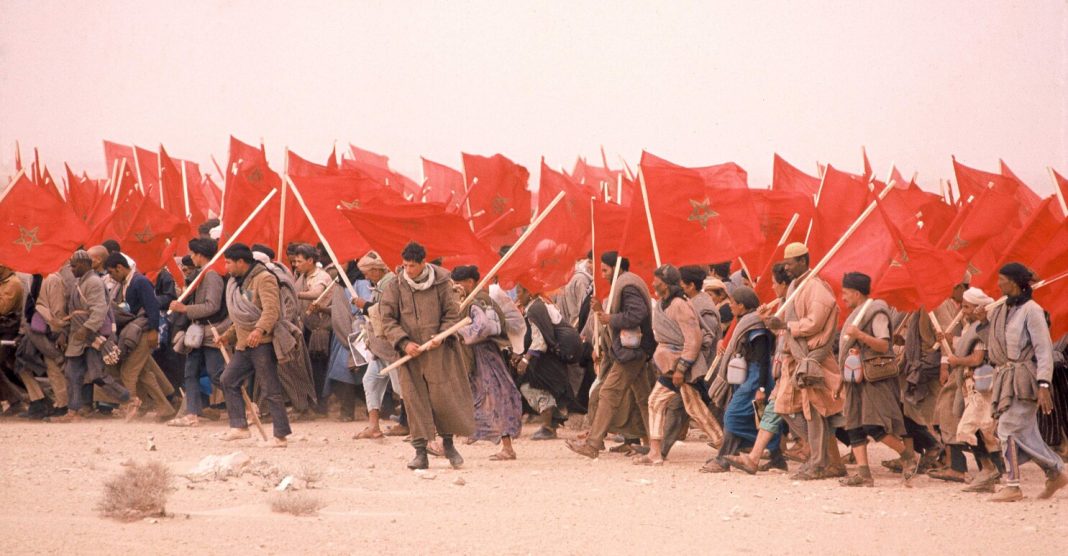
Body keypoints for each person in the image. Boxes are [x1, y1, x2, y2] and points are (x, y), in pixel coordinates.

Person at [379, 242, 475, 470]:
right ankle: (420, 452)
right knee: (414, 401)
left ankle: (449, 445)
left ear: (423, 263)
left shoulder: (442, 282)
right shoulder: (395, 285)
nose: (407, 270)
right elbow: (388, 319)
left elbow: (452, 314)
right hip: (410, 356)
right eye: (405, 265)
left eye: (412, 266)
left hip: (439, 353)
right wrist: (404, 342)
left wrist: (441, 336)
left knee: (443, 399)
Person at [762, 243, 845, 480]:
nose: (786, 268)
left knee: (815, 412)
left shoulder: (815, 287)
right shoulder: (797, 288)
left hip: (812, 358)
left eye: (790, 263)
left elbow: (815, 322)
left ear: (802, 261)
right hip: (796, 359)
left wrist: (786, 326)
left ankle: (819, 463)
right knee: (786, 408)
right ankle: (824, 459)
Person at [987, 263, 1067, 501]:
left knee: (1007, 429)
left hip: (1025, 380)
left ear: (1012, 282)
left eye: (1001, 279)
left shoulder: (1033, 310)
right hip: (1005, 380)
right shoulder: (1002, 309)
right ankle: (1056, 472)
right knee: (1026, 433)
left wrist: (1044, 385)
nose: (998, 283)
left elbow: (1044, 350)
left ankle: (1013, 485)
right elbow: (997, 343)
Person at [567, 251, 654, 459]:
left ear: (616, 268)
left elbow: (636, 314)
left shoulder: (627, 285)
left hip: (631, 351)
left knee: (608, 393)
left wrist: (608, 317)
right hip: (637, 350)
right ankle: (654, 444)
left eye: (605, 270)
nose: (603, 274)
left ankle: (593, 444)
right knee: (644, 399)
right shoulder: (627, 282)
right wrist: (600, 311)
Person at [834, 272, 916, 487]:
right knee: (853, 425)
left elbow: (883, 345)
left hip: (873, 378)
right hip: (854, 377)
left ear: (856, 293)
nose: (843, 298)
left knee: (874, 426)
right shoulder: (857, 314)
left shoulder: (876, 312)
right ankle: (863, 474)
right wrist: (842, 380)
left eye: (845, 293)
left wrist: (860, 335)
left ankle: (908, 456)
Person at [639, 265, 723, 466]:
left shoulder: (680, 305)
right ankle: (655, 451)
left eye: (656, 280)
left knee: (695, 410)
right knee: (657, 401)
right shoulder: (663, 304)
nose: (653, 283)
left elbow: (693, 340)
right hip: (669, 365)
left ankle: (724, 447)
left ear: (665, 283)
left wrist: (681, 368)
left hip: (681, 367)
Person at [216, 244, 292, 447]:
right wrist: (227, 336)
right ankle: (239, 427)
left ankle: (280, 436)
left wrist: (259, 331)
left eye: (229, 262)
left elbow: (271, 311)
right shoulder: (237, 283)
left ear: (241, 262)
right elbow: (241, 317)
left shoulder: (264, 278)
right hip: (244, 343)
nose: (226, 267)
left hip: (262, 343)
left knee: (270, 388)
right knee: (228, 379)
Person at [702, 286, 778, 472]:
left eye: (733, 303)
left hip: (755, 378)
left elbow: (762, 360)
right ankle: (774, 457)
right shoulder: (745, 322)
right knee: (751, 419)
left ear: (742, 306)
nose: (731, 307)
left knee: (733, 416)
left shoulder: (756, 327)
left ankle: (724, 460)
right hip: (746, 376)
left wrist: (760, 388)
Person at [453, 265, 522, 459]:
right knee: (470, 397)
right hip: (470, 356)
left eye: (459, 283)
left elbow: (484, 328)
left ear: (470, 283)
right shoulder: (465, 301)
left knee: (496, 396)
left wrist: (459, 332)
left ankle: (507, 447)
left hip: (485, 355)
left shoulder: (479, 301)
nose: (456, 287)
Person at [58, 250, 130, 422]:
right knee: (72, 373)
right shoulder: (80, 282)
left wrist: (87, 329)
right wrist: (64, 333)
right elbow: (72, 312)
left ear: (84, 264)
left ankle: (129, 399)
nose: (72, 269)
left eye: (74, 266)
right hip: (78, 335)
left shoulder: (94, 282)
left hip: (91, 335)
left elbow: (98, 310)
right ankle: (73, 411)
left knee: (97, 374)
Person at [103, 253, 175, 421]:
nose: (112, 277)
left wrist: (153, 331)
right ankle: (164, 406)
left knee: (128, 371)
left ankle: (133, 405)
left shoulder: (139, 281)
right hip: (136, 333)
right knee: (143, 373)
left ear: (120, 268)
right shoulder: (127, 283)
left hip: (142, 333)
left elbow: (152, 307)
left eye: (112, 272)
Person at [950, 287, 1007, 493]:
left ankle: (989, 470)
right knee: (985, 431)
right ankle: (994, 472)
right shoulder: (971, 327)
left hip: (980, 388)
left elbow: (977, 359)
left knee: (967, 430)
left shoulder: (984, 329)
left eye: (966, 306)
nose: (962, 310)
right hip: (970, 386)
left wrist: (957, 360)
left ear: (978, 307)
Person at [167, 238, 229, 427]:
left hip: (210, 332)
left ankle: (246, 405)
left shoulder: (212, 275)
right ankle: (192, 413)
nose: (191, 257)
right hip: (197, 333)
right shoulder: (203, 273)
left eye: (193, 253)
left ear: (200, 254)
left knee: (216, 373)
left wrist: (185, 309)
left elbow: (212, 305)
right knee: (190, 371)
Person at [354, 252, 405, 439]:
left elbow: (387, 312)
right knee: (370, 381)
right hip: (380, 349)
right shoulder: (381, 284)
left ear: (376, 270)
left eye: (368, 273)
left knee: (403, 389)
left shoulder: (390, 283)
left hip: (391, 348)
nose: (366, 277)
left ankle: (410, 424)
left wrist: (364, 305)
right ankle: (373, 426)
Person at [515, 282, 571, 441]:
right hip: (546, 358)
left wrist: (526, 359)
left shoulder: (535, 309)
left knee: (530, 387)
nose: (517, 296)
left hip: (544, 359)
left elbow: (540, 340)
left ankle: (547, 427)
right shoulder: (537, 306)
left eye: (519, 292)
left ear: (529, 293)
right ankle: (551, 425)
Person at [17, 263, 74, 420]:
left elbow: (58, 310)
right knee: (22, 364)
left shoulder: (52, 279)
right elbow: (27, 308)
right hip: (32, 330)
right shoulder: (32, 278)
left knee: (54, 365)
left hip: (50, 331)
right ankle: (39, 401)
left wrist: (59, 332)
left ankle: (63, 404)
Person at [292, 243, 333, 414]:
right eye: (295, 261)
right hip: (306, 325)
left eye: (299, 261)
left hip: (320, 328)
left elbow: (317, 293)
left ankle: (321, 405)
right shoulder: (301, 277)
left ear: (310, 260)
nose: (296, 264)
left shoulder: (321, 276)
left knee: (318, 368)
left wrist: (295, 294)